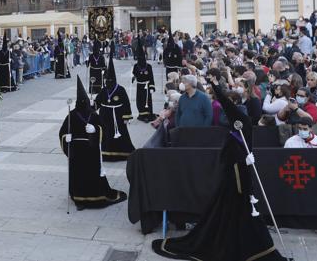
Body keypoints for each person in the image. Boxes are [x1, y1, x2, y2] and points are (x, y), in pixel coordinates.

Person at [153, 78, 288, 261]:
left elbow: (236, 157)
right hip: (230, 182)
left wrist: (217, 88)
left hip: (239, 184)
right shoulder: (235, 130)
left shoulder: (241, 126)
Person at [59, 76, 127, 210]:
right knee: (78, 174)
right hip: (77, 151)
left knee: (91, 174)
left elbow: (104, 130)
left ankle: (94, 196)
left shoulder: (93, 115)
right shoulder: (71, 115)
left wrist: (95, 130)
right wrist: (65, 138)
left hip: (91, 150)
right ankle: (78, 197)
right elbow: (63, 132)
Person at [95, 45, 134, 161]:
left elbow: (126, 104)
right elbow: (98, 102)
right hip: (105, 116)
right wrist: (92, 105)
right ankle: (106, 154)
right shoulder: (103, 90)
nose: (108, 82)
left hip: (118, 116)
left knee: (121, 133)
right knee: (106, 134)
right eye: (106, 80)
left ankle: (122, 153)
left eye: (109, 80)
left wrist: (127, 117)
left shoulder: (120, 90)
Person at [132, 38, 157, 122]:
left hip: (147, 86)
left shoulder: (148, 66)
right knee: (140, 100)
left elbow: (151, 77)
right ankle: (142, 114)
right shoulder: (136, 66)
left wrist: (152, 87)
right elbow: (134, 73)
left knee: (147, 101)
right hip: (139, 85)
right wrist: (134, 77)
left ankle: (148, 114)